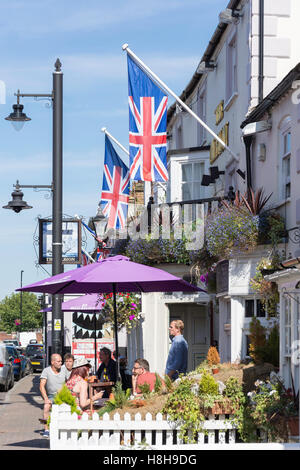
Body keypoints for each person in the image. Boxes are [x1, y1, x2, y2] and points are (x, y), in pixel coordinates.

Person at [40, 353, 68, 438]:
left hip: (63, 396)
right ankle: (46, 429)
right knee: (46, 407)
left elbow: (69, 382)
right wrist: (46, 399)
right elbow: (41, 386)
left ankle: (65, 428)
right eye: (58, 361)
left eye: (61, 361)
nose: (60, 363)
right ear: (52, 362)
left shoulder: (64, 370)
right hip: (51, 396)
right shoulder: (46, 371)